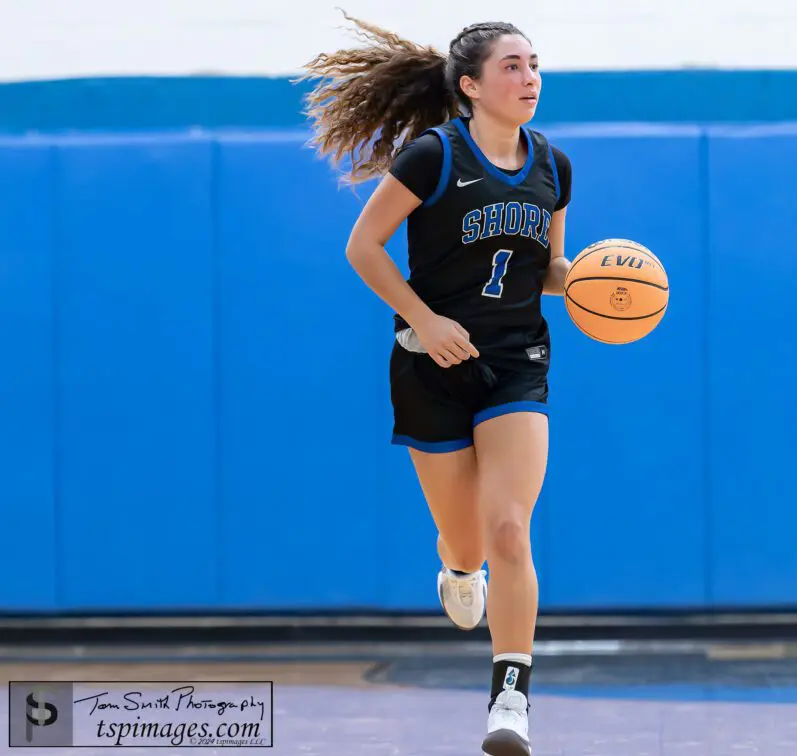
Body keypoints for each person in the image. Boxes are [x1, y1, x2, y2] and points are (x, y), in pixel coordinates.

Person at [301, 13, 572, 756]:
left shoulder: (553, 164)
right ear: (471, 86)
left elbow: (546, 268)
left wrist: (580, 281)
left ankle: (510, 696)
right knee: (467, 540)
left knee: (511, 526)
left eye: (535, 64)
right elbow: (363, 246)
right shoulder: (432, 156)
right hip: (431, 361)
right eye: (512, 67)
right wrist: (425, 317)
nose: (529, 79)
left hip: (517, 360)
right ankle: (457, 567)